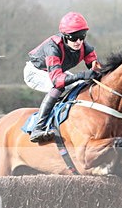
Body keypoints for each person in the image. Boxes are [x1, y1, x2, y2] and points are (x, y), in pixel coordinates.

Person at [24, 12, 102, 143]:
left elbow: (97, 69)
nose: (78, 42)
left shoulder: (85, 46)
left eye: (82, 36)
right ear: (65, 36)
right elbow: (57, 80)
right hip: (35, 72)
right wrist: (82, 75)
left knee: (81, 86)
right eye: (74, 38)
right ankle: (38, 127)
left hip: (55, 73)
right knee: (60, 87)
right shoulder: (52, 48)